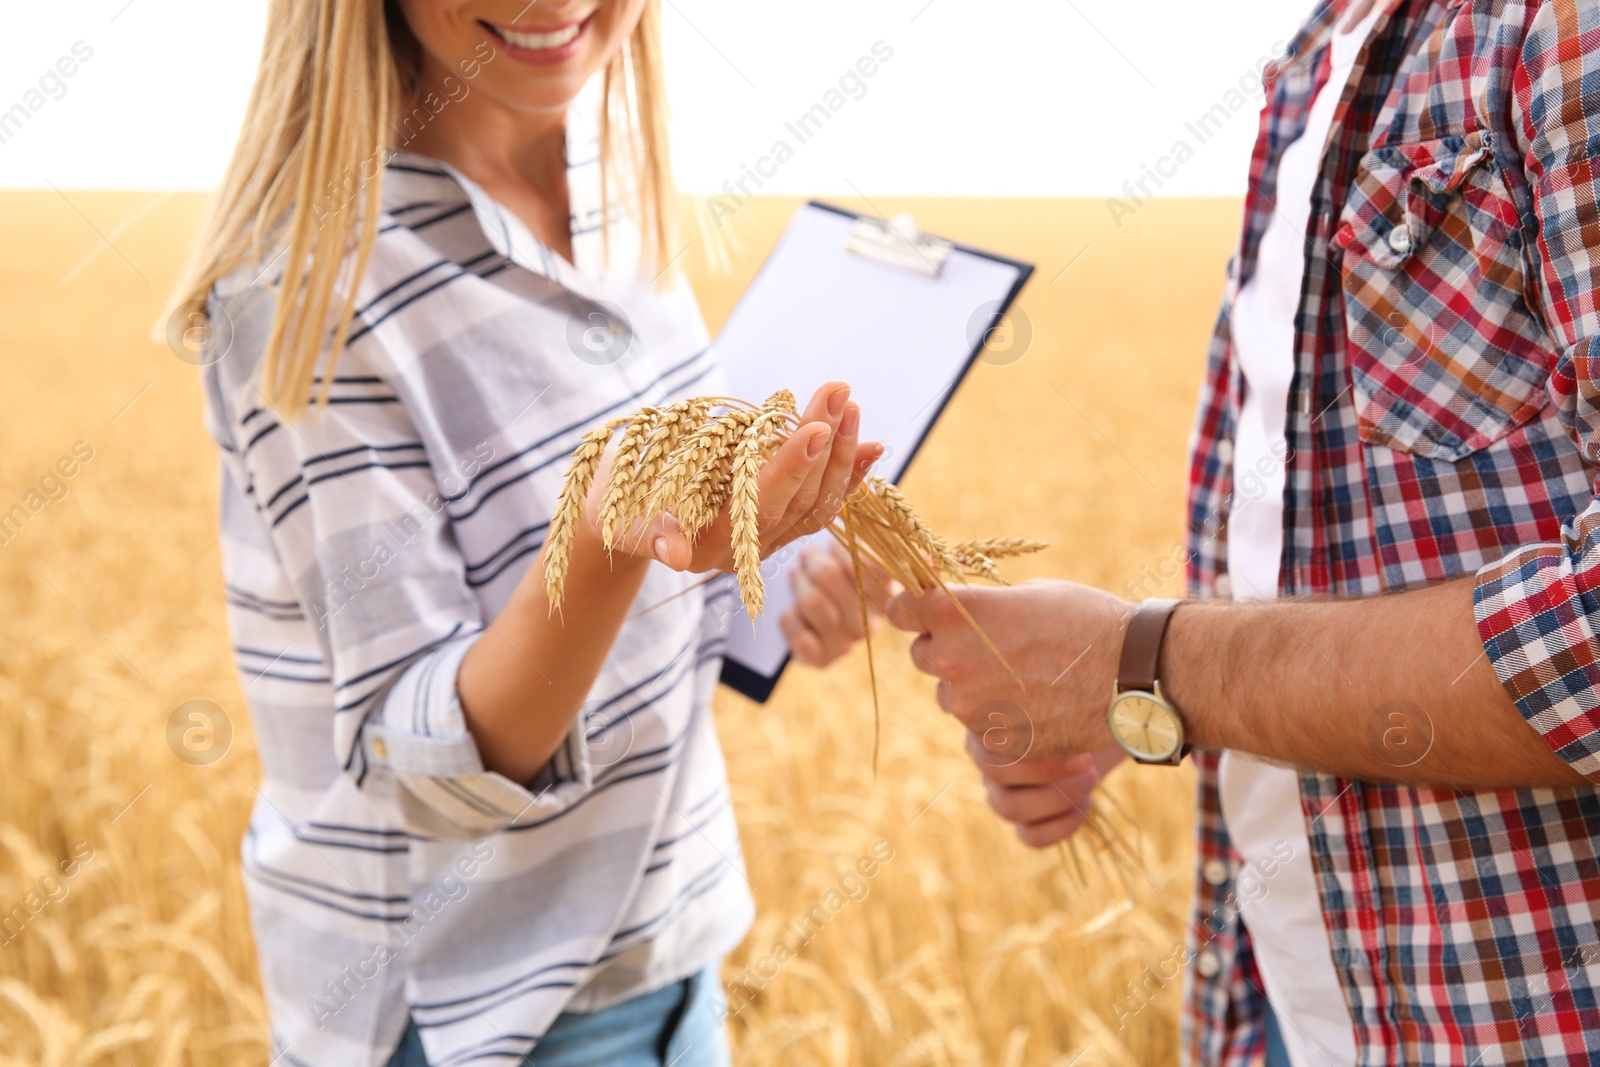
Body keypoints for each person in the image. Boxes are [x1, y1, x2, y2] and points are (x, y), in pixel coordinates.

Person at [167, 2, 882, 1064]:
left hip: (675, 961)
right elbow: (424, 765)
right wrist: (601, 540)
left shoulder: (610, 189)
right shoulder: (305, 290)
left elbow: (665, 590)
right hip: (473, 1017)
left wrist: (779, 572)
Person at [889, 0, 1600, 1063]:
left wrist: (1146, 669)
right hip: (1290, 1003)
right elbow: (1346, 549)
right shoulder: (1321, 51)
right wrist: (1118, 699)